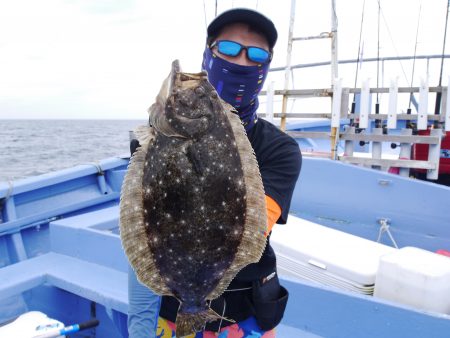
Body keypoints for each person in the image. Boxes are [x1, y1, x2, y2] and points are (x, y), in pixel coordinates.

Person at [127, 8, 302, 338]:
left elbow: (254, 227)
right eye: (230, 49)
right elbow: (143, 224)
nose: (242, 61)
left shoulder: (281, 150)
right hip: (172, 308)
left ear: (266, 66)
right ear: (209, 54)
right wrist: (140, 325)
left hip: (245, 313)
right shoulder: (152, 138)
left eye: (257, 53)